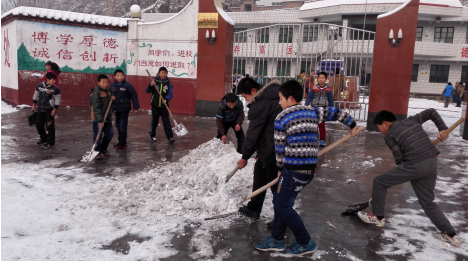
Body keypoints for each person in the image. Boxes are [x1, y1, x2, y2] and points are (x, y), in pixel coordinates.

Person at [253, 80, 358, 256]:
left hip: (293, 169)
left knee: (283, 206)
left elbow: (279, 148)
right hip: (308, 170)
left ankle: (305, 242)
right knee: (279, 201)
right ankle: (277, 238)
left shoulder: (282, 118)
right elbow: (336, 112)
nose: (279, 103)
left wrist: (279, 169)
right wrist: (353, 125)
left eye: (280, 99)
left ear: (290, 98)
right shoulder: (313, 111)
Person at [358, 109, 463, 247]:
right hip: (431, 162)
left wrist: (400, 171)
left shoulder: (389, 135)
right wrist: (442, 129)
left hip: (415, 165)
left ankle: (377, 217)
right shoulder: (412, 120)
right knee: (428, 202)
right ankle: (450, 234)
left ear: (385, 123)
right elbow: (431, 112)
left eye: (380, 129)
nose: (381, 132)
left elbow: (400, 158)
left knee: (380, 182)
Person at [236, 77, 282, 221]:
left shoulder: (261, 104)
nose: (246, 100)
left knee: (276, 184)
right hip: (270, 145)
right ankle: (254, 208)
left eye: (245, 96)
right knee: (260, 173)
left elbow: (253, 133)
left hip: (275, 148)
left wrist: (244, 157)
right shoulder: (273, 95)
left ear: (254, 91)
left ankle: (282, 219)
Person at [109, 69, 140, 150]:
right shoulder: (112, 86)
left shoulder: (128, 85)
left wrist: (136, 107)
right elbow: (109, 96)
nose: (120, 77)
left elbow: (134, 96)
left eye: (121, 75)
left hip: (124, 109)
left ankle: (122, 143)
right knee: (117, 125)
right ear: (114, 76)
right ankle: (121, 142)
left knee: (122, 126)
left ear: (124, 76)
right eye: (118, 76)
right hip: (116, 109)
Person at [32, 72, 61, 148]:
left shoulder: (55, 89)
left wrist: (55, 109)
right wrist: (33, 105)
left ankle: (50, 142)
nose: (54, 81)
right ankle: (43, 139)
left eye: (55, 80)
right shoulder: (39, 86)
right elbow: (36, 95)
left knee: (49, 127)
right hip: (40, 110)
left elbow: (57, 99)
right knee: (39, 125)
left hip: (49, 111)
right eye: (53, 80)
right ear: (47, 79)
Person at [305, 72, 334, 147]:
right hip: (314, 108)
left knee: (321, 125)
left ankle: (322, 140)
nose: (321, 79)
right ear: (317, 79)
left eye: (323, 78)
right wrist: (306, 105)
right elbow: (309, 97)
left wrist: (331, 108)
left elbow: (331, 99)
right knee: (314, 124)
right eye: (320, 78)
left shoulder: (328, 89)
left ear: (326, 79)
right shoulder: (314, 88)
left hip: (323, 109)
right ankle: (314, 138)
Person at [146, 66, 175, 143]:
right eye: (162, 73)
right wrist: (150, 85)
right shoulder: (154, 81)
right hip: (155, 106)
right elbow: (147, 91)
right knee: (154, 122)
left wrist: (166, 99)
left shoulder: (169, 84)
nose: (163, 74)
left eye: (165, 73)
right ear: (158, 73)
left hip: (164, 107)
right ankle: (152, 135)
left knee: (166, 122)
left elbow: (170, 94)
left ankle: (170, 137)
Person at [90, 74, 114, 160]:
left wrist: (112, 99)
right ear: (98, 83)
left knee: (110, 134)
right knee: (98, 136)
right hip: (97, 119)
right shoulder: (95, 93)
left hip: (107, 118)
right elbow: (96, 108)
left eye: (107, 82)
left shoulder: (108, 91)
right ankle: (97, 152)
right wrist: (100, 120)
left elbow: (110, 105)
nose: (105, 84)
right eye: (103, 82)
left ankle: (103, 148)